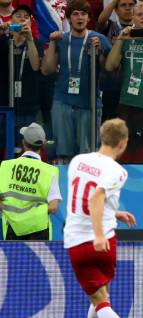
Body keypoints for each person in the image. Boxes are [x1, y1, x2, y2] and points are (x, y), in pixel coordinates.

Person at [64, 118, 143, 318]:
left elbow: (84, 200)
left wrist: (114, 213)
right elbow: (95, 198)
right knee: (102, 299)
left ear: (102, 137)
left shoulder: (77, 161)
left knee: (100, 297)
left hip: (76, 241)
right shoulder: (117, 171)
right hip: (102, 240)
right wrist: (97, 233)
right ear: (124, 143)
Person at [41, 0, 112, 163]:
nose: (79, 17)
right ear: (68, 18)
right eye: (75, 14)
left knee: (87, 155)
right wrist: (52, 43)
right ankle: (65, 187)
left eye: (83, 14)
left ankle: (86, 187)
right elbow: (47, 70)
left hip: (89, 104)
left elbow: (109, 70)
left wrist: (100, 51)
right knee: (63, 153)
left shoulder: (99, 38)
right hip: (62, 102)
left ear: (88, 18)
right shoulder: (61, 39)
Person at [105, 0, 143, 163]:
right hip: (128, 104)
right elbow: (110, 65)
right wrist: (120, 39)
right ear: (133, 18)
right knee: (125, 152)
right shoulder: (125, 39)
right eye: (139, 15)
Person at [0, 123, 61, 240]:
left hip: (12, 229)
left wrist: (14, 214)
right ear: (43, 145)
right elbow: (53, 207)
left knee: (13, 259)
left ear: (23, 142)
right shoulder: (50, 171)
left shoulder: (5, 166)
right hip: (39, 230)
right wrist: (32, 216)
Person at [0, 4, 42, 153]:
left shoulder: (35, 43)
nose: (23, 20)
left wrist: (29, 39)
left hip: (27, 104)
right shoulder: (3, 42)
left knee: (25, 149)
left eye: (26, 17)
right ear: (10, 21)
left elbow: (36, 66)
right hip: (4, 103)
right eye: (18, 16)